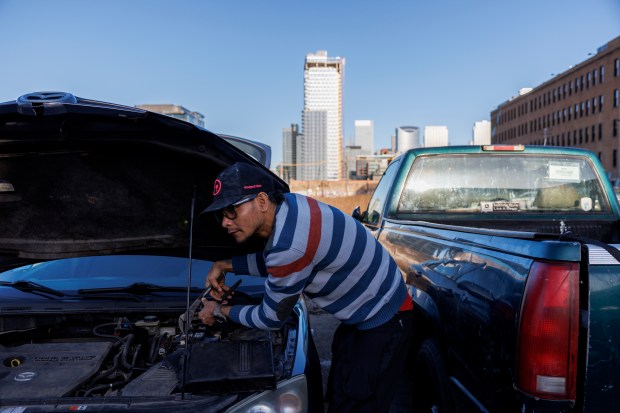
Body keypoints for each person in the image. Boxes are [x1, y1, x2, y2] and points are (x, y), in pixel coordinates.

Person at [198, 161, 413, 413]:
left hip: (384, 322)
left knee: (358, 403)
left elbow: (270, 318)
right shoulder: (290, 206)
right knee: (340, 392)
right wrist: (225, 265)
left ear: (262, 201)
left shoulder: (289, 246)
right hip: (368, 313)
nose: (225, 222)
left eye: (232, 210)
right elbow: (278, 261)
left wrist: (218, 311)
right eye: (221, 214)